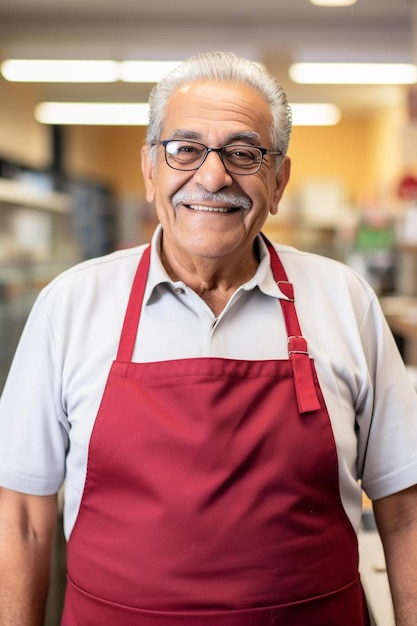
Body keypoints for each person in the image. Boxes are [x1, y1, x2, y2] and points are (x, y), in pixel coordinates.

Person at [0, 51, 417, 626]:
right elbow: (20, 514)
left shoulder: (344, 301)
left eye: (244, 153)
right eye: (185, 149)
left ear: (278, 181)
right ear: (150, 169)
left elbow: (406, 508)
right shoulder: (71, 306)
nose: (214, 176)